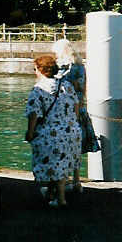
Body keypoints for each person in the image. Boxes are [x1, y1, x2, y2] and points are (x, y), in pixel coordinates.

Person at [24, 54, 81, 207]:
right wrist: (71, 122)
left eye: (35, 69)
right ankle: (52, 194)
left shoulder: (38, 89)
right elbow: (76, 105)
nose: (35, 72)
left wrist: (30, 132)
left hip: (50, 133)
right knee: (61, 164)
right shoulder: (66, 85)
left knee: (51, 163)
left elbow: (34, 114)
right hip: (71, 131)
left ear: (41, 70)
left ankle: (61, 199)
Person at [53, 38, 87, 192]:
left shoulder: (63, 67)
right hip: (80, 109)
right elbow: (83, 88)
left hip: (65, 111)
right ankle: (77, 181)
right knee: (76, 147)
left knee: (62, 146)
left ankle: (63, 182)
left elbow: (57, 87)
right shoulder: (81, 66)